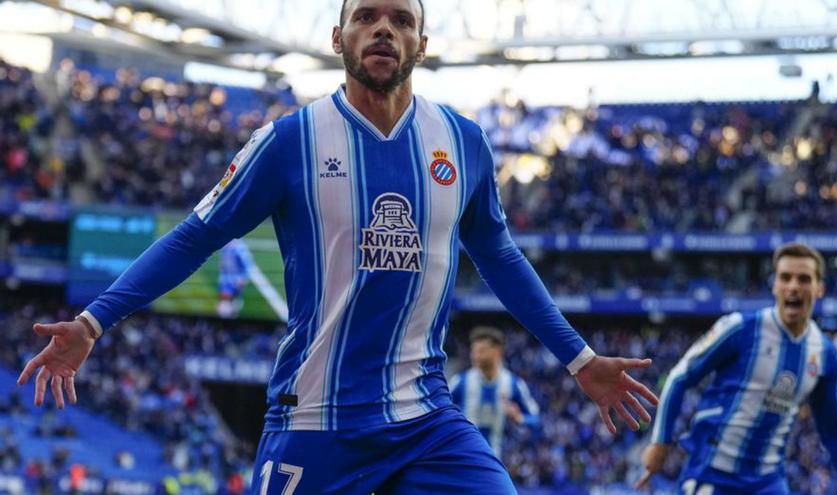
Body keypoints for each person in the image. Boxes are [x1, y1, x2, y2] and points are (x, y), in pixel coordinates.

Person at [17, 0, 659, 493]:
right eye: (366, 17)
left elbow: (500, 255)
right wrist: (93, 320)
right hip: (314, 420)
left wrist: (579, 359)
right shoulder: (288, 141)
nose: (384, 29)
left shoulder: (462, 143)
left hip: (425, 421)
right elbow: (196, 235)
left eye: (401, 19)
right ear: (337, 37)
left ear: (422, 43)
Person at [636, 243, 837, 495]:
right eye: (785, 277)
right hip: (713, 473)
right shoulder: (740, 328)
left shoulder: (825, 353)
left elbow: (835, 430)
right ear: (774, 285)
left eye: (804, 279)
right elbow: (680, 377)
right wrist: (661, 442)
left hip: (767, 481)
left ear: (820, 288)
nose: (794, 286)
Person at [449, 326, 539, 456]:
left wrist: (519, 418)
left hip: (498, 457)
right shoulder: (460, 381)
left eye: (481, 351)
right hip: (464, 454)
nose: (475, 356)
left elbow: (535, 418)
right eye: (473, 351)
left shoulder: (514, 383)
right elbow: (439, 410)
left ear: (497, 351)